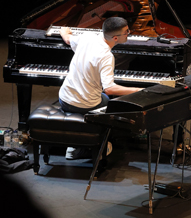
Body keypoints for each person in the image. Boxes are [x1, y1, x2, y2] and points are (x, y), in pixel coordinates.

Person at [58, 17, 144, 158]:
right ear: (115, 38)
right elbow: (109, 89)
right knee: (113, 104)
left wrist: (64, 31)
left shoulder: (87, 37)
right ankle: (97, 144)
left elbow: (68, 39)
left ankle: (77, 140)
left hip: (64, 98)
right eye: (126, 32)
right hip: (83, 105)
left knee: (103, 98)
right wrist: (138, 90)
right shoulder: (106, 56)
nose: (129, 33)